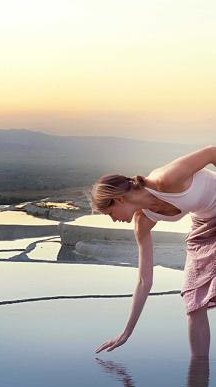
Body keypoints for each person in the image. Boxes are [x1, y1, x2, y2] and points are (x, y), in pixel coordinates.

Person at [90, 145, 216, 356]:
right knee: (193, 301)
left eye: (110, 212)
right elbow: (143, 281)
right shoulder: (143, 222)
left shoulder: (166, 180)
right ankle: (198, 374)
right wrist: (126, 332)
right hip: (203, 224)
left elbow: (213, 152)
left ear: (119, 199)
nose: (113, 219)